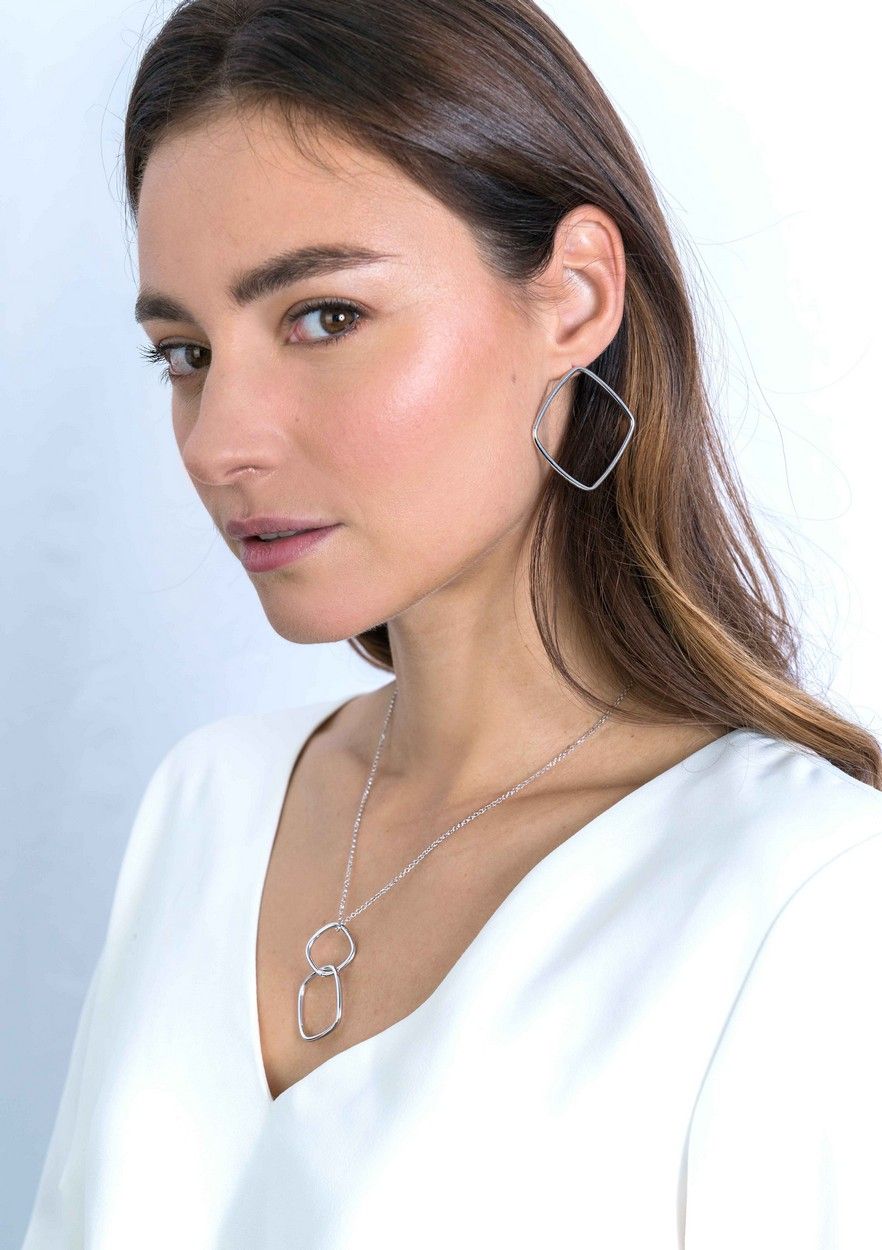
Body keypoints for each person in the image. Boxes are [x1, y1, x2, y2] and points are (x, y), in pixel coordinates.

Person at [22, 0, 882, 1246]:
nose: (219, 443)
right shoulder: (207, 805)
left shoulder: (807, 893)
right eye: (185, 351)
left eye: (324, 316)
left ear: (574, 298)